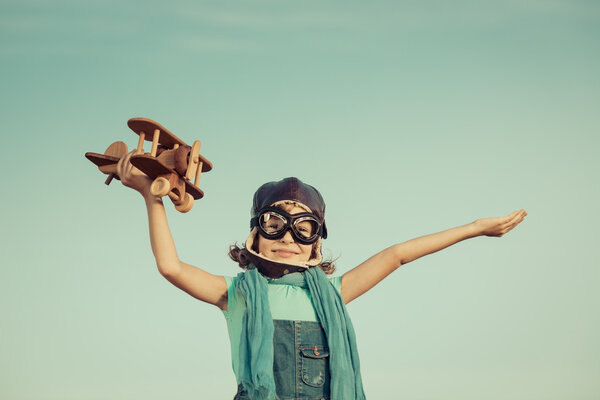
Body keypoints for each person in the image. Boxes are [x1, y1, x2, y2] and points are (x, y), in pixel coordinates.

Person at [115, 152, 527, 400]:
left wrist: (473, 228)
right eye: (276, 223)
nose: (288, 238)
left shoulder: (333, 292)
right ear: (256, 232)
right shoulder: (238, 293)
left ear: (317, 243)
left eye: (305, 228)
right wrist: (149, 198)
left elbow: (399, 254)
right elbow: (170, 266)